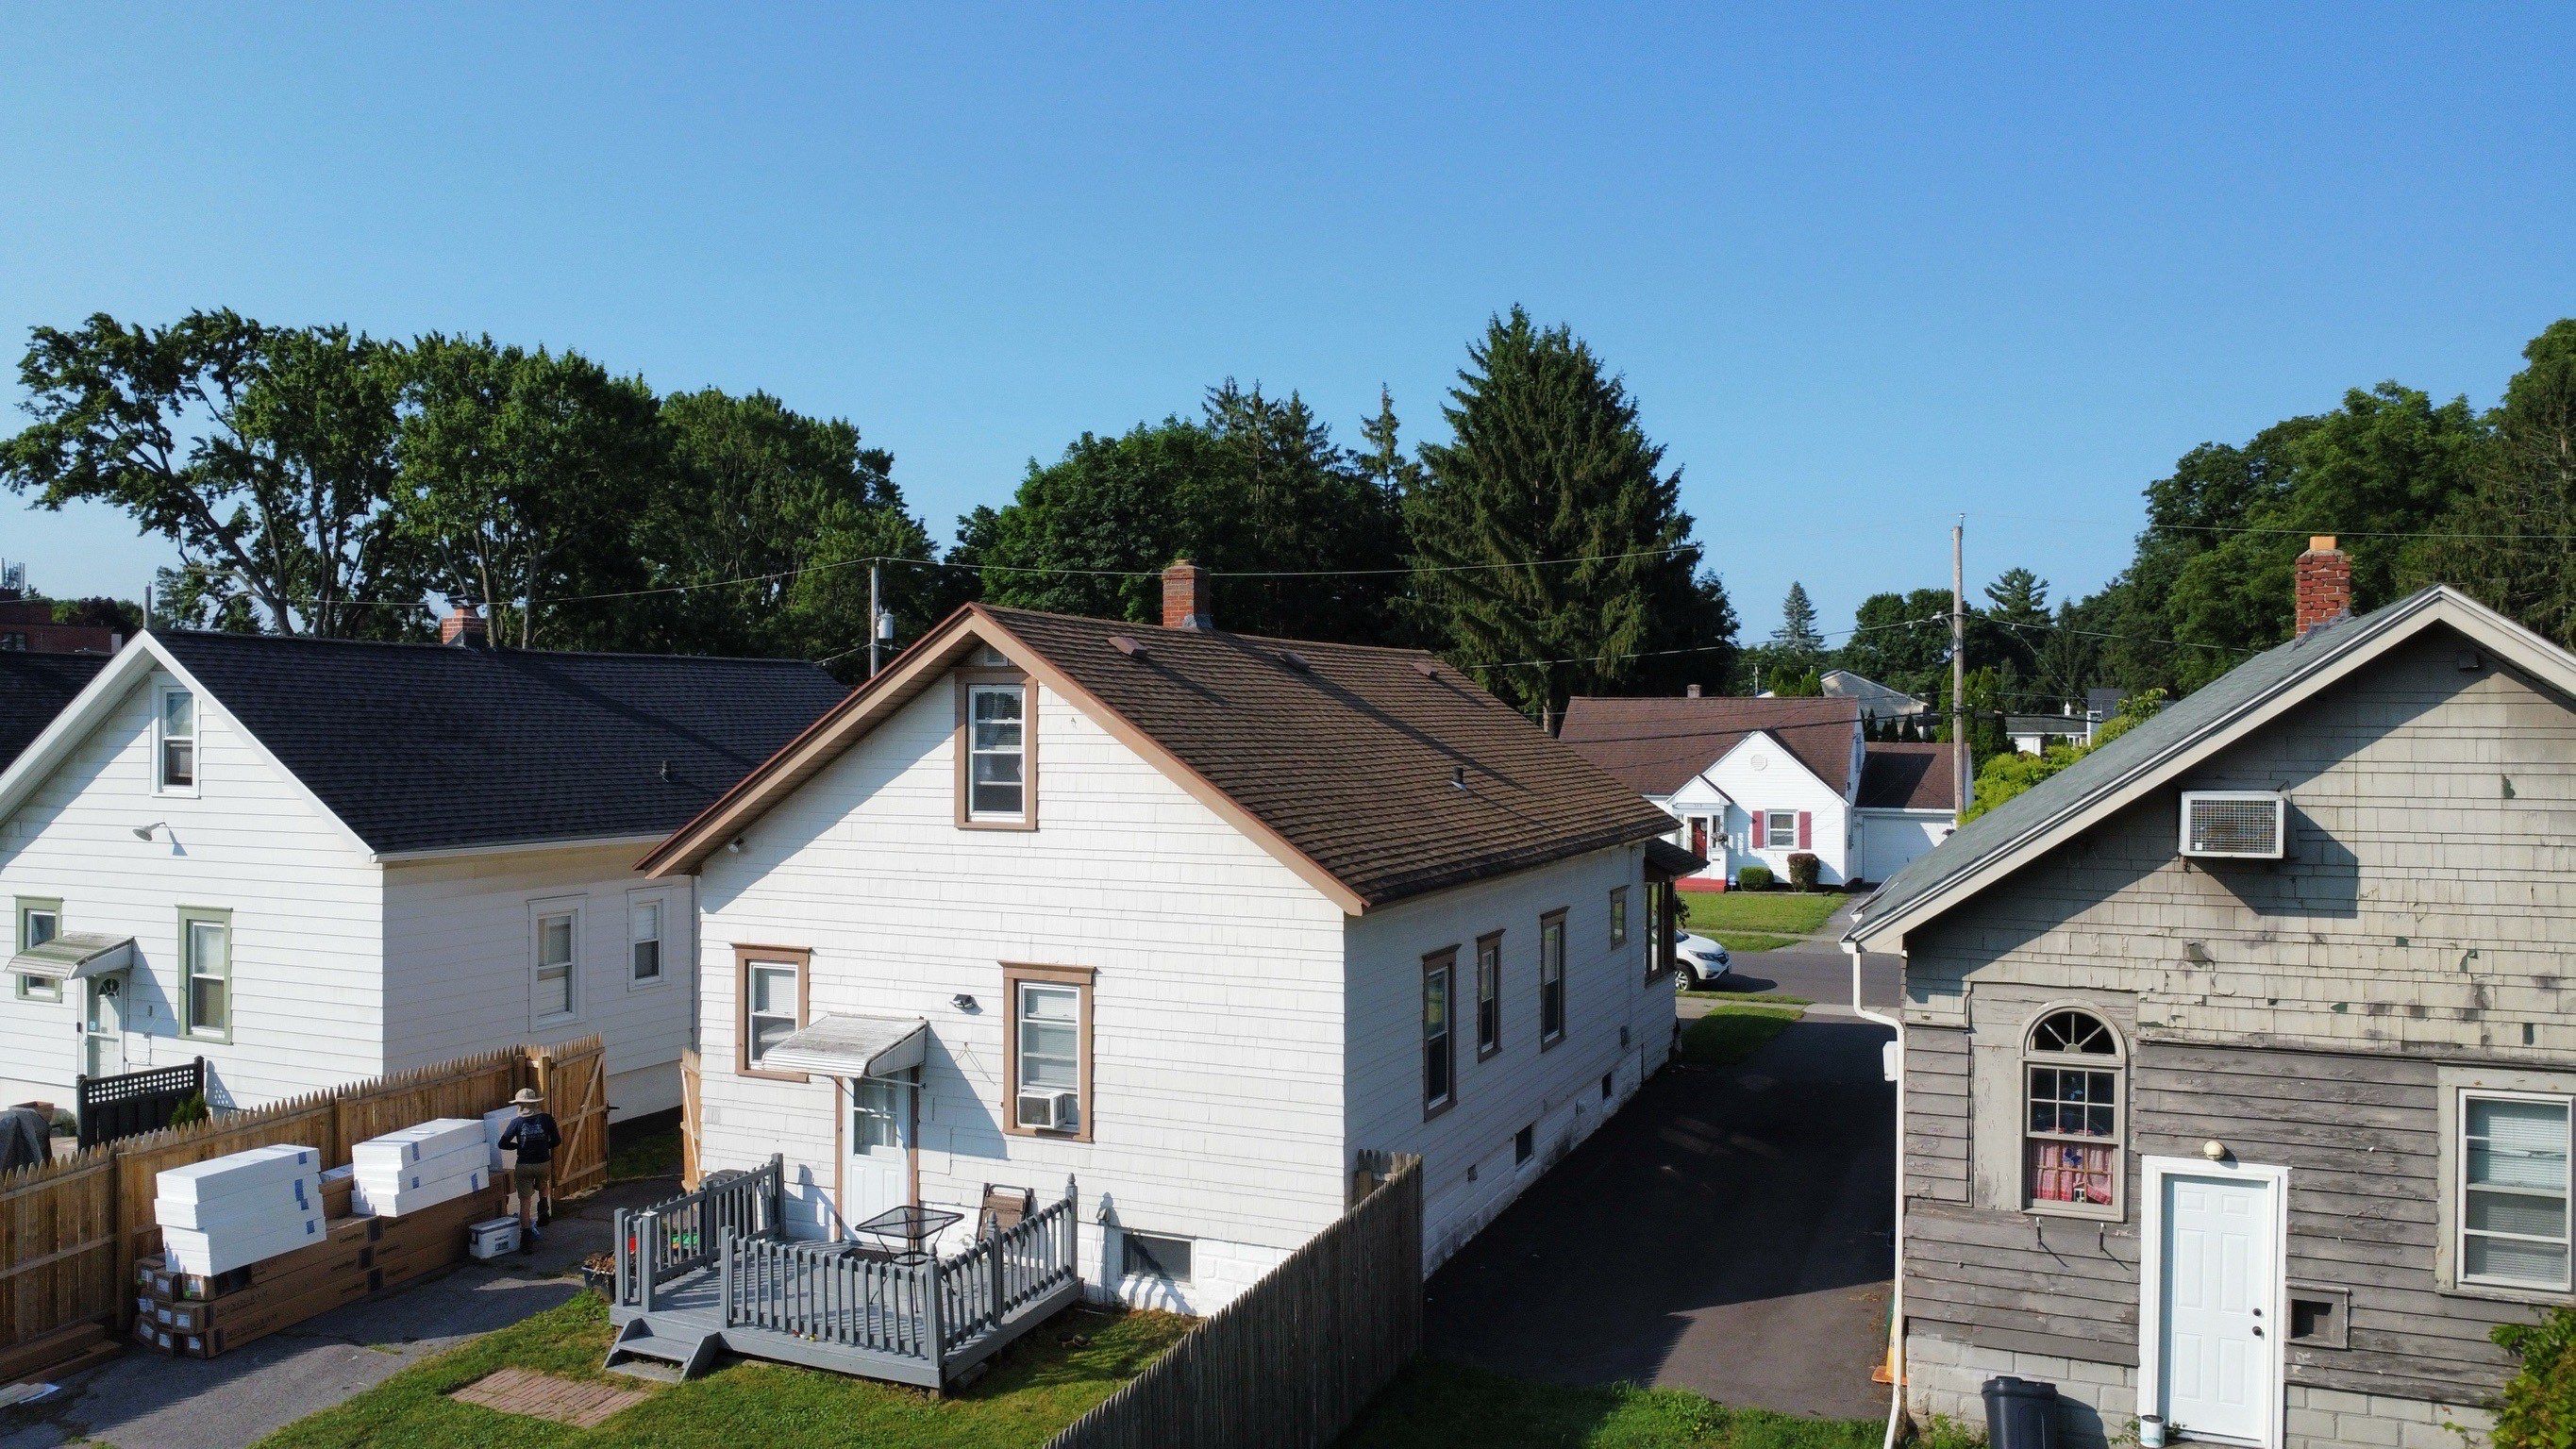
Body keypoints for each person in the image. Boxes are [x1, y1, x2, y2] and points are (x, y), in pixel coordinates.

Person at [496, 1087, 560, 1254]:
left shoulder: (516, 1123)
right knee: (543, 1183)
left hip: (524, 1164)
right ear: (535, 1104)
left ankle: (526, 1240)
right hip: (543, 1162)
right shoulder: (547, 1119)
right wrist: (544, 1146)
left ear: (519, 1104)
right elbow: (556, 1141)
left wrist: (519, 1145)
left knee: (525, 1202)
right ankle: (544, 1207)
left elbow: (502, 1143)